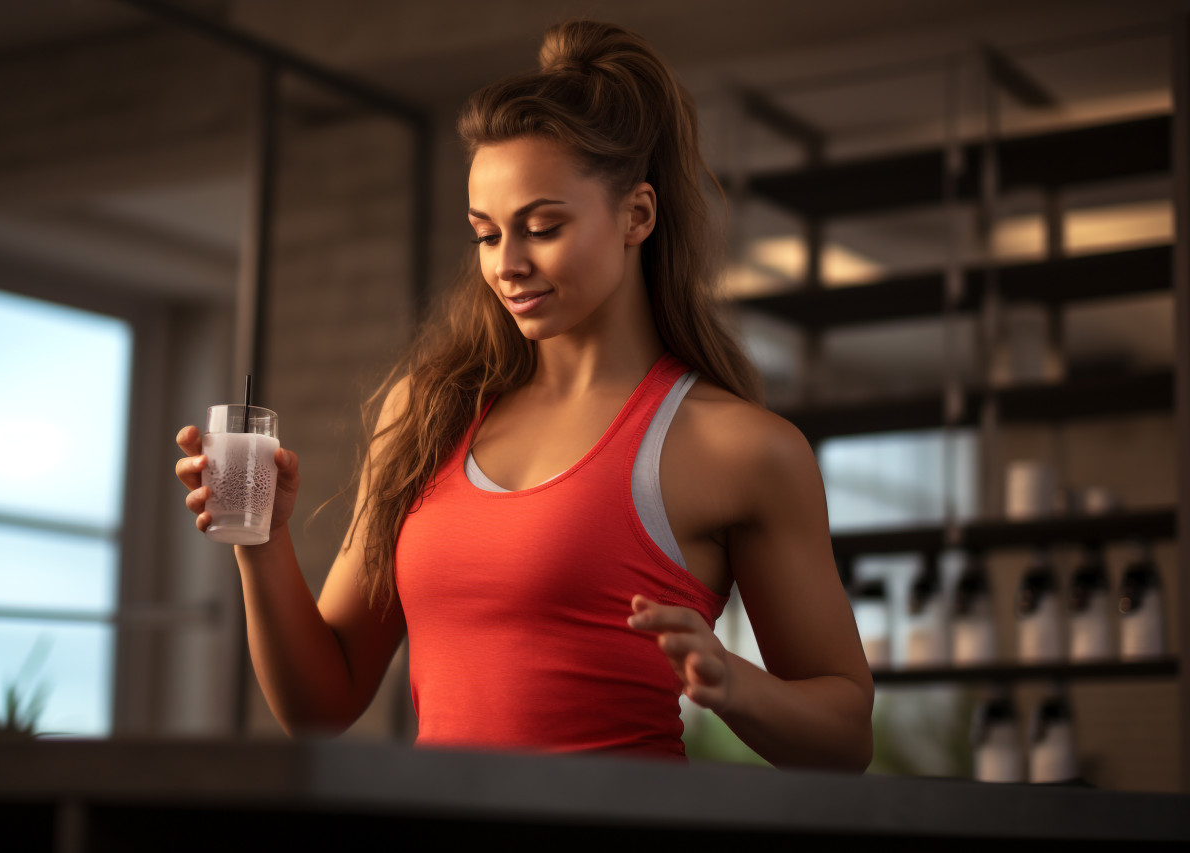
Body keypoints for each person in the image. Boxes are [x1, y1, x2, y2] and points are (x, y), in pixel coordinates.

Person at [175, 20, 872, 769]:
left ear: (636, 215)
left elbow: (844, 736)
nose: (507, 263)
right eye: (485, 233)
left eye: (541, 227)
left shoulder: (740, 448)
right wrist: (261, 541)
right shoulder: (427, 410)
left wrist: (734, 683)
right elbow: (323, 703)